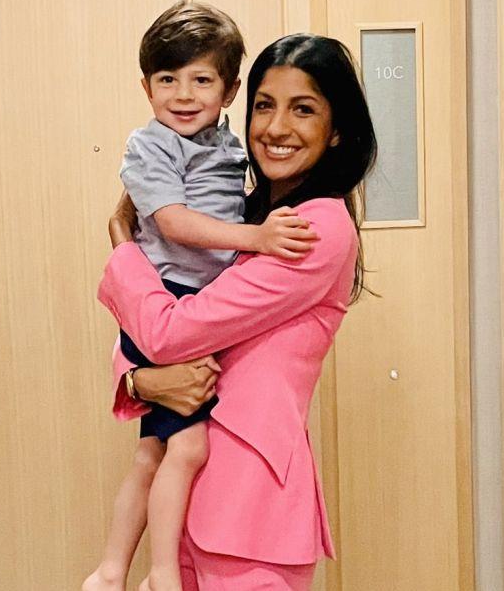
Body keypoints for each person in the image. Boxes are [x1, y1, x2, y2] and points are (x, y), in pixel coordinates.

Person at [97, 33, 376, 590]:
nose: (276, 127)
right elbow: (157, 324)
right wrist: (140, 382)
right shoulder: (241, 219)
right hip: (186, 507)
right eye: (265, 106)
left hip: (251, 515)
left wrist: (124, 246)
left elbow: (168, 332)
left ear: (337, 130)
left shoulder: (314, 229)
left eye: (303, 109)